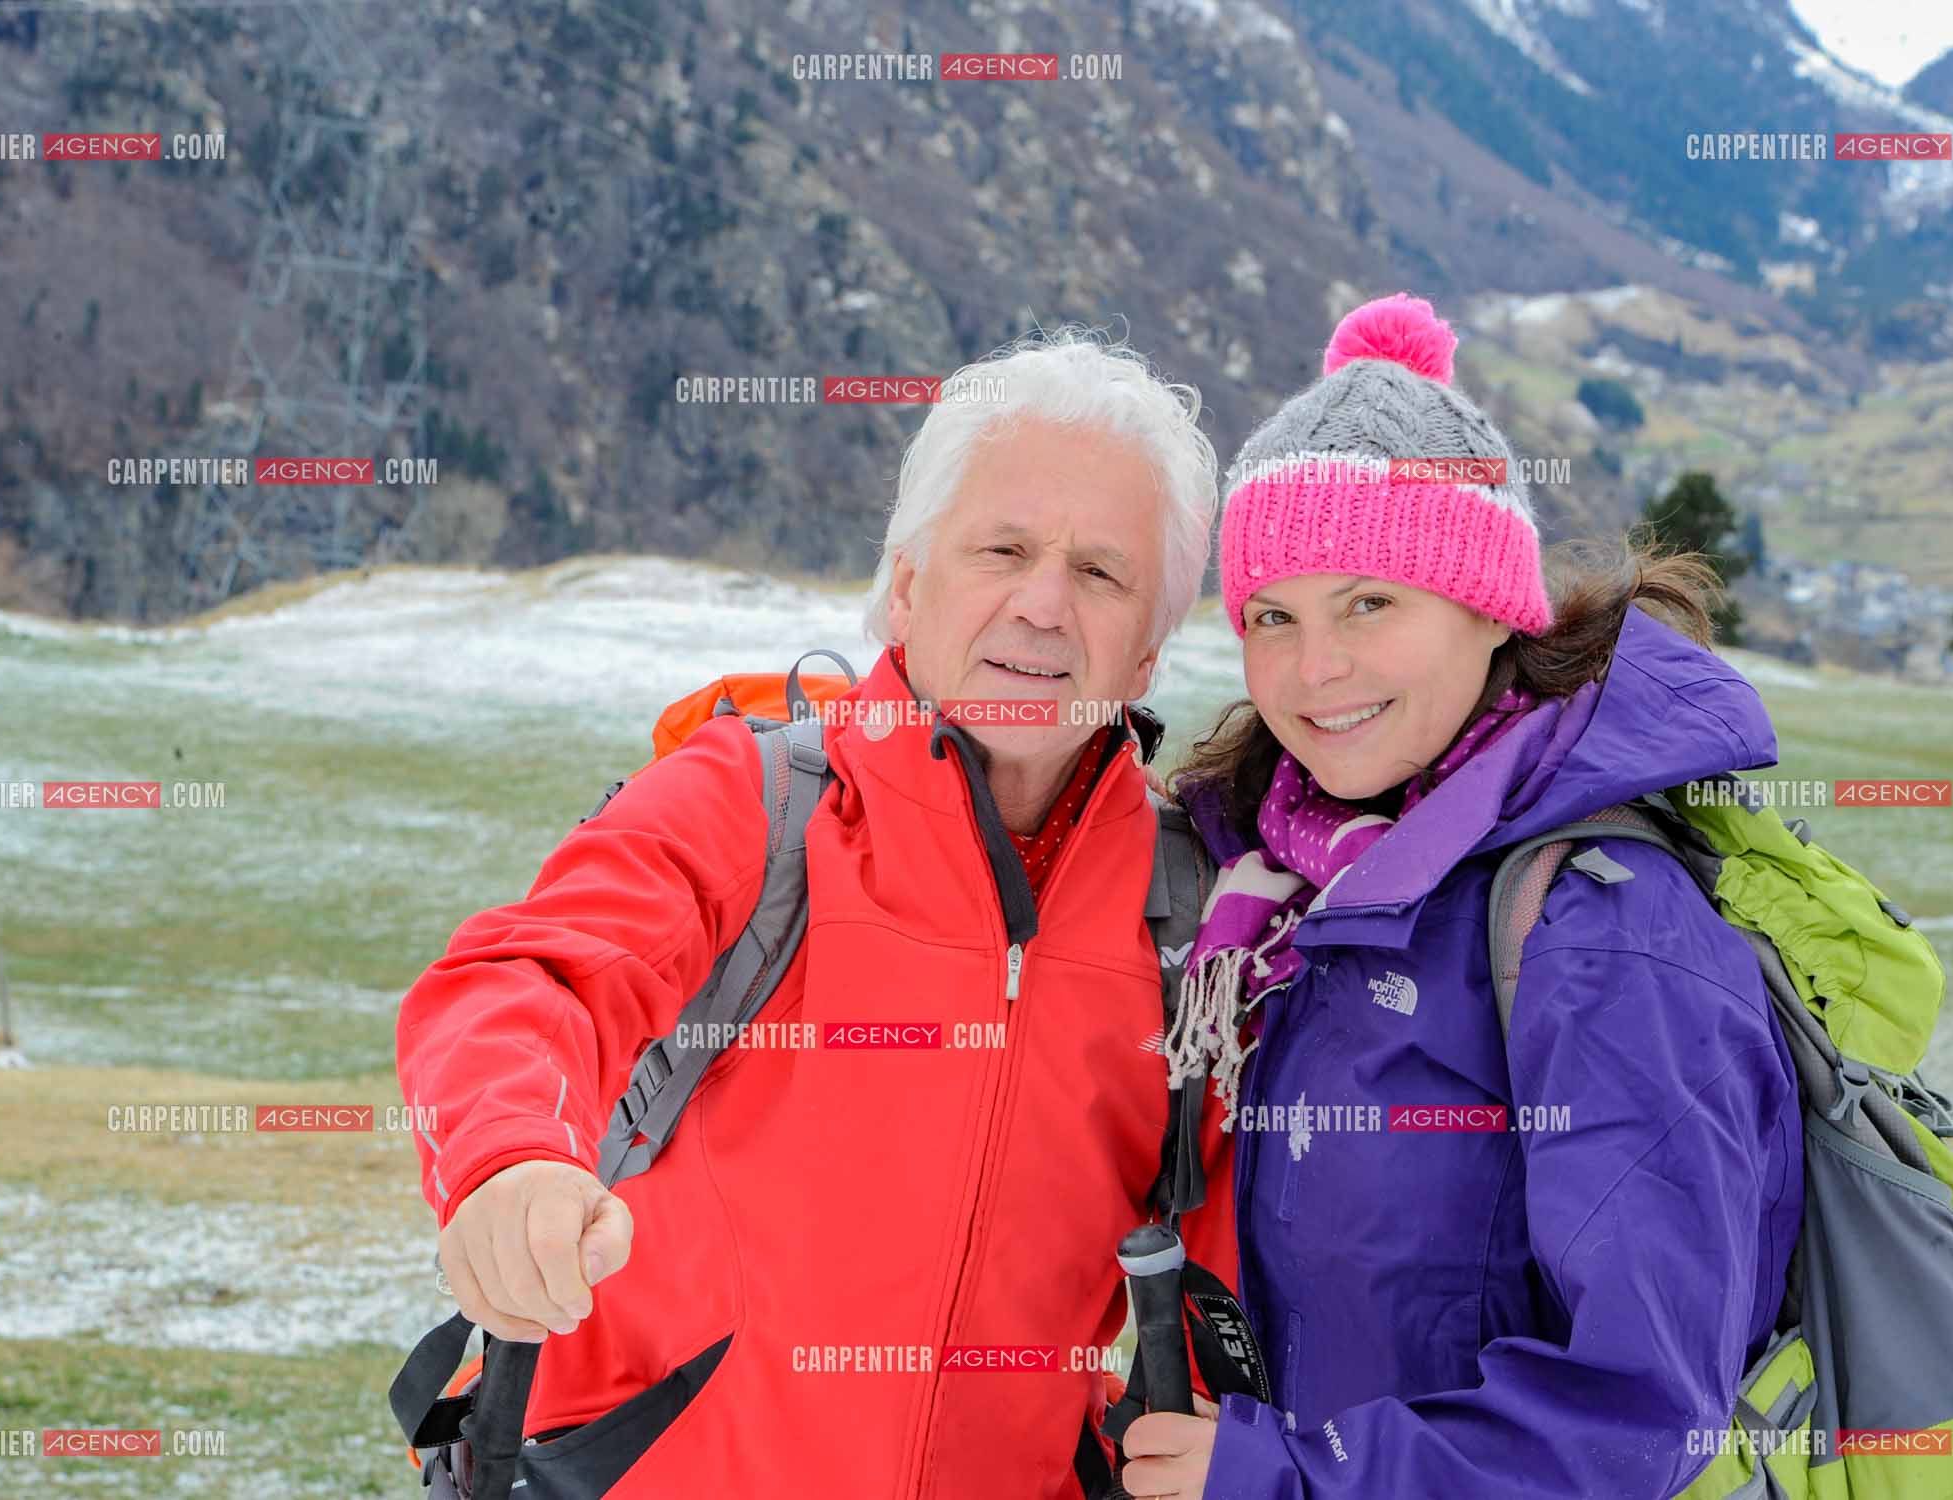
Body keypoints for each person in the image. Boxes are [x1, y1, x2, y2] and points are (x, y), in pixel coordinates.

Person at [396, 327, 1239, 1498]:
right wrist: (507, 1160)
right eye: (1002, 549)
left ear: (1146, 653)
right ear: (906, 586)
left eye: (1102, 573)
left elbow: (1234, 1279)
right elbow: (526, 978)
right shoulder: (754, 805)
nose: (1044, 606)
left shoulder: (1191, 919)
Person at [1121, 294, 1804, 1499]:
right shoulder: (1288, 890)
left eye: (1369, 602)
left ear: (1491, 607)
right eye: (1273, 616)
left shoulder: (1595, 930)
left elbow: (1638, 1417)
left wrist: (1281, 1476)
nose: (1314, 668)